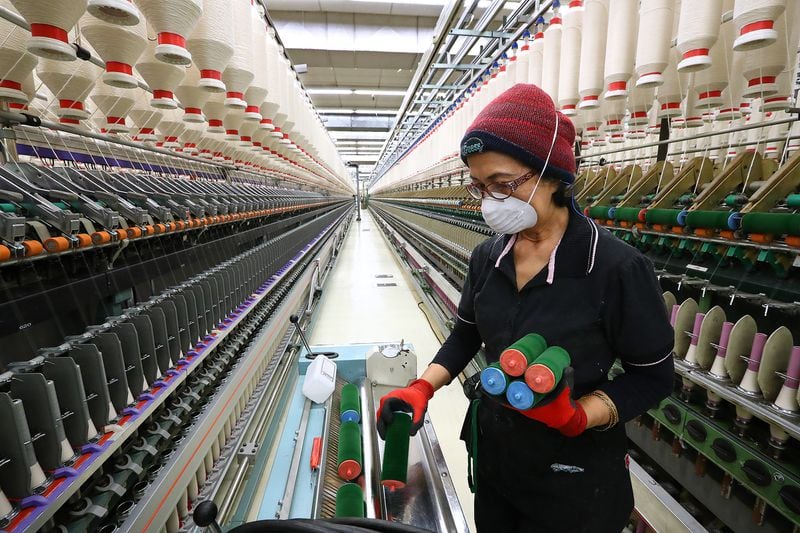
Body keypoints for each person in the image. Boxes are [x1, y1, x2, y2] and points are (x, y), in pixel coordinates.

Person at [376, 84, 675, 533]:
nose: (488, 200)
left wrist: (579, 415)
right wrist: (422, 388)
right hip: (499, 463)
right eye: (479, 186)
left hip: (576, 483)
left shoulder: (616, 268)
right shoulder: (487, 257)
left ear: (551, 175)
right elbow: (465, 336)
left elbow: (654, 375)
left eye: (501, 184)